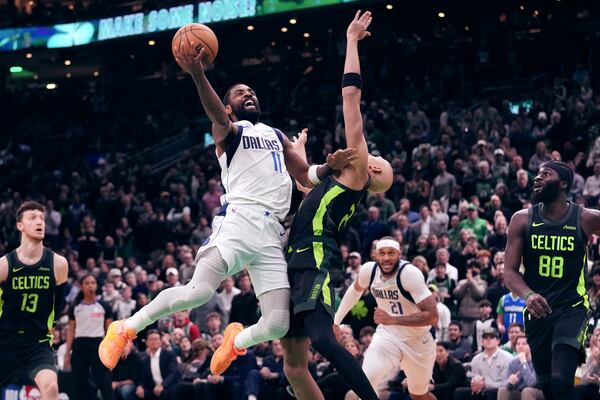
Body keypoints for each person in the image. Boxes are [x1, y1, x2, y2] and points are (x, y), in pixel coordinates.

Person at [98, 25, 355, 372]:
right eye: (238, 93)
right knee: (197, 293)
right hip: (238, 221)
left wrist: (328, 167)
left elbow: (304, 174)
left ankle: (235, 341)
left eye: (250, 90)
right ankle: (126, 328)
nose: (247, 94)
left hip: (271, 233)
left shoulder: (276, 134)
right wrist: (198, 74)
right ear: (230, 108)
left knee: (277, 323)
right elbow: (216, 114)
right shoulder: (230, 132)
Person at [281, 11, 393, 400]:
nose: (369, 152)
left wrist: (351, 42)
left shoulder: (359, 169)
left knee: (323, 342)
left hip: (311, 256)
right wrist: (302, 157)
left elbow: (351, 97)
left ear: (373, 166)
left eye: (374, 155)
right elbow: (305, 187)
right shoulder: (341, 181)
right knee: (293, 366)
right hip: (294, 257)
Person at [504, 160, 600, 400]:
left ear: (563, 183)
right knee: (548, 389)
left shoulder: (584, 218)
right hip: (537, 312)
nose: (537, 178)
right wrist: (527, 294)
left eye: (546, 174)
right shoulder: (522, 219)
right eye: (536, 173)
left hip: (572, 308)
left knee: (560, 380)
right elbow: (509, 272)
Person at [335, 237, 438, 400]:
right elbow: (355, 290)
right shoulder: (369, 271)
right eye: (382, 253)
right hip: (388, 336)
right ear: (376, 255)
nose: (386, 258)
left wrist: (393, 319)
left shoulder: (409, 274)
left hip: (418, 340)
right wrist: (336, 321)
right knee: (363, 383)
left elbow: (432, 316)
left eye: (391, 253)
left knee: (418, 395)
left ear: (399, 254)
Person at [0, 201, 69, 400]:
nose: (40, 222)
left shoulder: (58, 264)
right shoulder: (4, 265)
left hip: (36, 342)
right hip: (5, 339)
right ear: (20, 226)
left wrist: (51, 325)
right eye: (32, 218)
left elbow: (59, 304)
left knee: (51, 388)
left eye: (42, 218)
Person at [65, 274, 115, 399]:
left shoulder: (105, 306)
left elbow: (110, 331)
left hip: (98, 346)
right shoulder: (75, 307)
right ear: (81, 286)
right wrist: (67, 353)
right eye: (87, 283)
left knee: (105, 383)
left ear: (96, 286)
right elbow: (71, 331)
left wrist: (111, 351)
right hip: (79, 347)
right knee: (79, 384)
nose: (90, 285)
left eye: (93, 282)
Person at [453, 327, 512, 400]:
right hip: (481, 390)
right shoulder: (476, 359)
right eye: (485, 338)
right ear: (482, 342)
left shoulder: (507, 358)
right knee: (459, 392)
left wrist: (485, 385)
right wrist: (475, 384)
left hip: (499, 390)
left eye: (492, 337)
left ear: (498, 341)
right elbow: (476, 378)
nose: (488, 340)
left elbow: (506, 383)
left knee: (490, 392)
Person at [137, 330, 181, 400]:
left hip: (169, 385)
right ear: (147, 342)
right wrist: (140, 386)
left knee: (165, 393)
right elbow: (143, 377)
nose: (153, 341)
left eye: (156, 339)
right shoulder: (145, 360)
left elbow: (173, 373)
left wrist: (162, 385)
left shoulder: (169, 355)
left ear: (161, 342)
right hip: (154, 387)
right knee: (140, 393)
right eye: (151, 339)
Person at [497, 335, 543, 400]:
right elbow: (503, 384)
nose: (520, 346)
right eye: (518, 344)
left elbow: (532, 383)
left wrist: (523, 363)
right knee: (503, 390)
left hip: (537, 391)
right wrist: (510, 382)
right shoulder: (513, 362)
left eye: (524, 344)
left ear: (530, 345)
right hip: (519, 391)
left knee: (527, 391)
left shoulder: (536, 361)